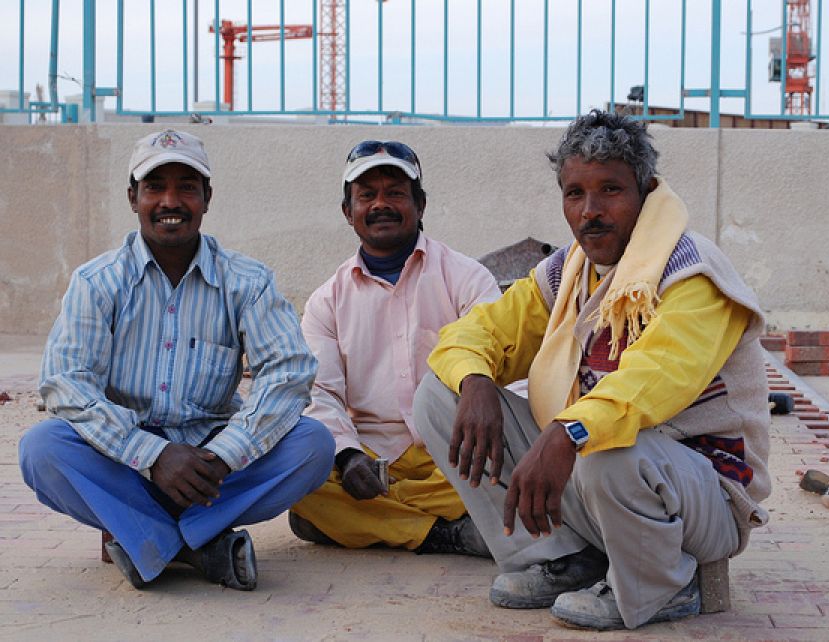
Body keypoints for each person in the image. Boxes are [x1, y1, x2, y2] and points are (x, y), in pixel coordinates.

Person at [413, 110, 770, 630]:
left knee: (605, 444)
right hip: (601, 481)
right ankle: (560, 559)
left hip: (704, 498)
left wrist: (567, 432)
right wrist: (475, 379)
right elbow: (478, 332)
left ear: (645, 192)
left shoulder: (692, 272)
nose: (590, 211)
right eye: (575, 193)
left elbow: (653, 380)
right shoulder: (569, 272)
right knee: (438, 397)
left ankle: (666, 584)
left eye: (610, 190)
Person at [18, 129, 335, 591]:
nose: (171, 201)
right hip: (125, 458)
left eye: (186, 187)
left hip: (213, 464)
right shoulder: (96, 281)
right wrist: (153, 455)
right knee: (42, 449)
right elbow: (66, 382)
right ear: (133, 198)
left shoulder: (248, 281)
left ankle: (144, 536)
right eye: (155, 187)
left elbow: (289, 374)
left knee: (313, 445)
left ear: (207, 198)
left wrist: (225, 456)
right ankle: (198, 546)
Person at [287, 141, 500, 556]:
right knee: (298, 470)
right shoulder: (326, 301)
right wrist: (348, 457)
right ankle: (449, 533)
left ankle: (363, 522)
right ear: (348, 211)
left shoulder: (468, 279)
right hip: (372, 461)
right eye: (367, 195)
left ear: (420, 205)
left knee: (511, 466)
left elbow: (501, 362)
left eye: (396, 193)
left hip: (456, 454)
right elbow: (319, 393)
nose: (381, 204)